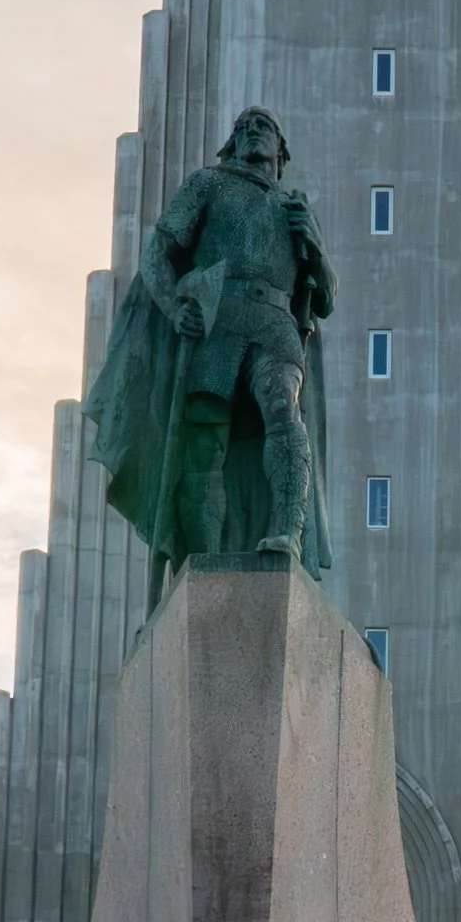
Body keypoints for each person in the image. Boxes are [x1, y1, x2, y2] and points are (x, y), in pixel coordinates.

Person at [85, 107, 336, 596]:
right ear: (232, 144)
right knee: (204, 445)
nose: (250, 131)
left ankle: (287, 534)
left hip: (275, 323)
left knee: (284, 409)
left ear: (280, 151)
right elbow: (158, 254)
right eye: (241, 128)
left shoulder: (295, 210)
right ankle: (206, 560)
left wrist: (315, 246)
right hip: (217, 321)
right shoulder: (208, 185)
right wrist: (175, 303)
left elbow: (325, 297)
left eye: (261, 126)